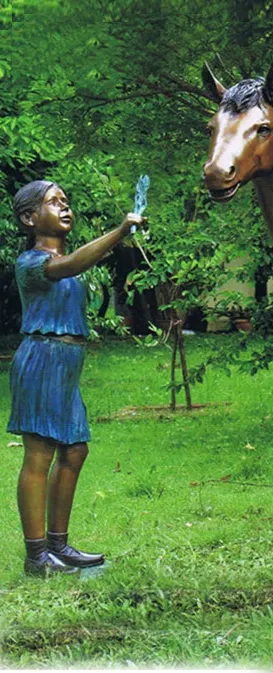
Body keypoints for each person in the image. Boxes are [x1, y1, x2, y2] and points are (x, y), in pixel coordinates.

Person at [8, 180, 146, 576]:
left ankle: (58, 544)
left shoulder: (69, 262)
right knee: (40, 452)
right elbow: (69, 266)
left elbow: (77, 265)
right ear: (29, 218)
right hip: (42, 359)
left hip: (67, 362)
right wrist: (120, 232)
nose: (65, 207)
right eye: (54, 202)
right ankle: (36, 555)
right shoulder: (33, 262)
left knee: (74, 451)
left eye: (67, 201)